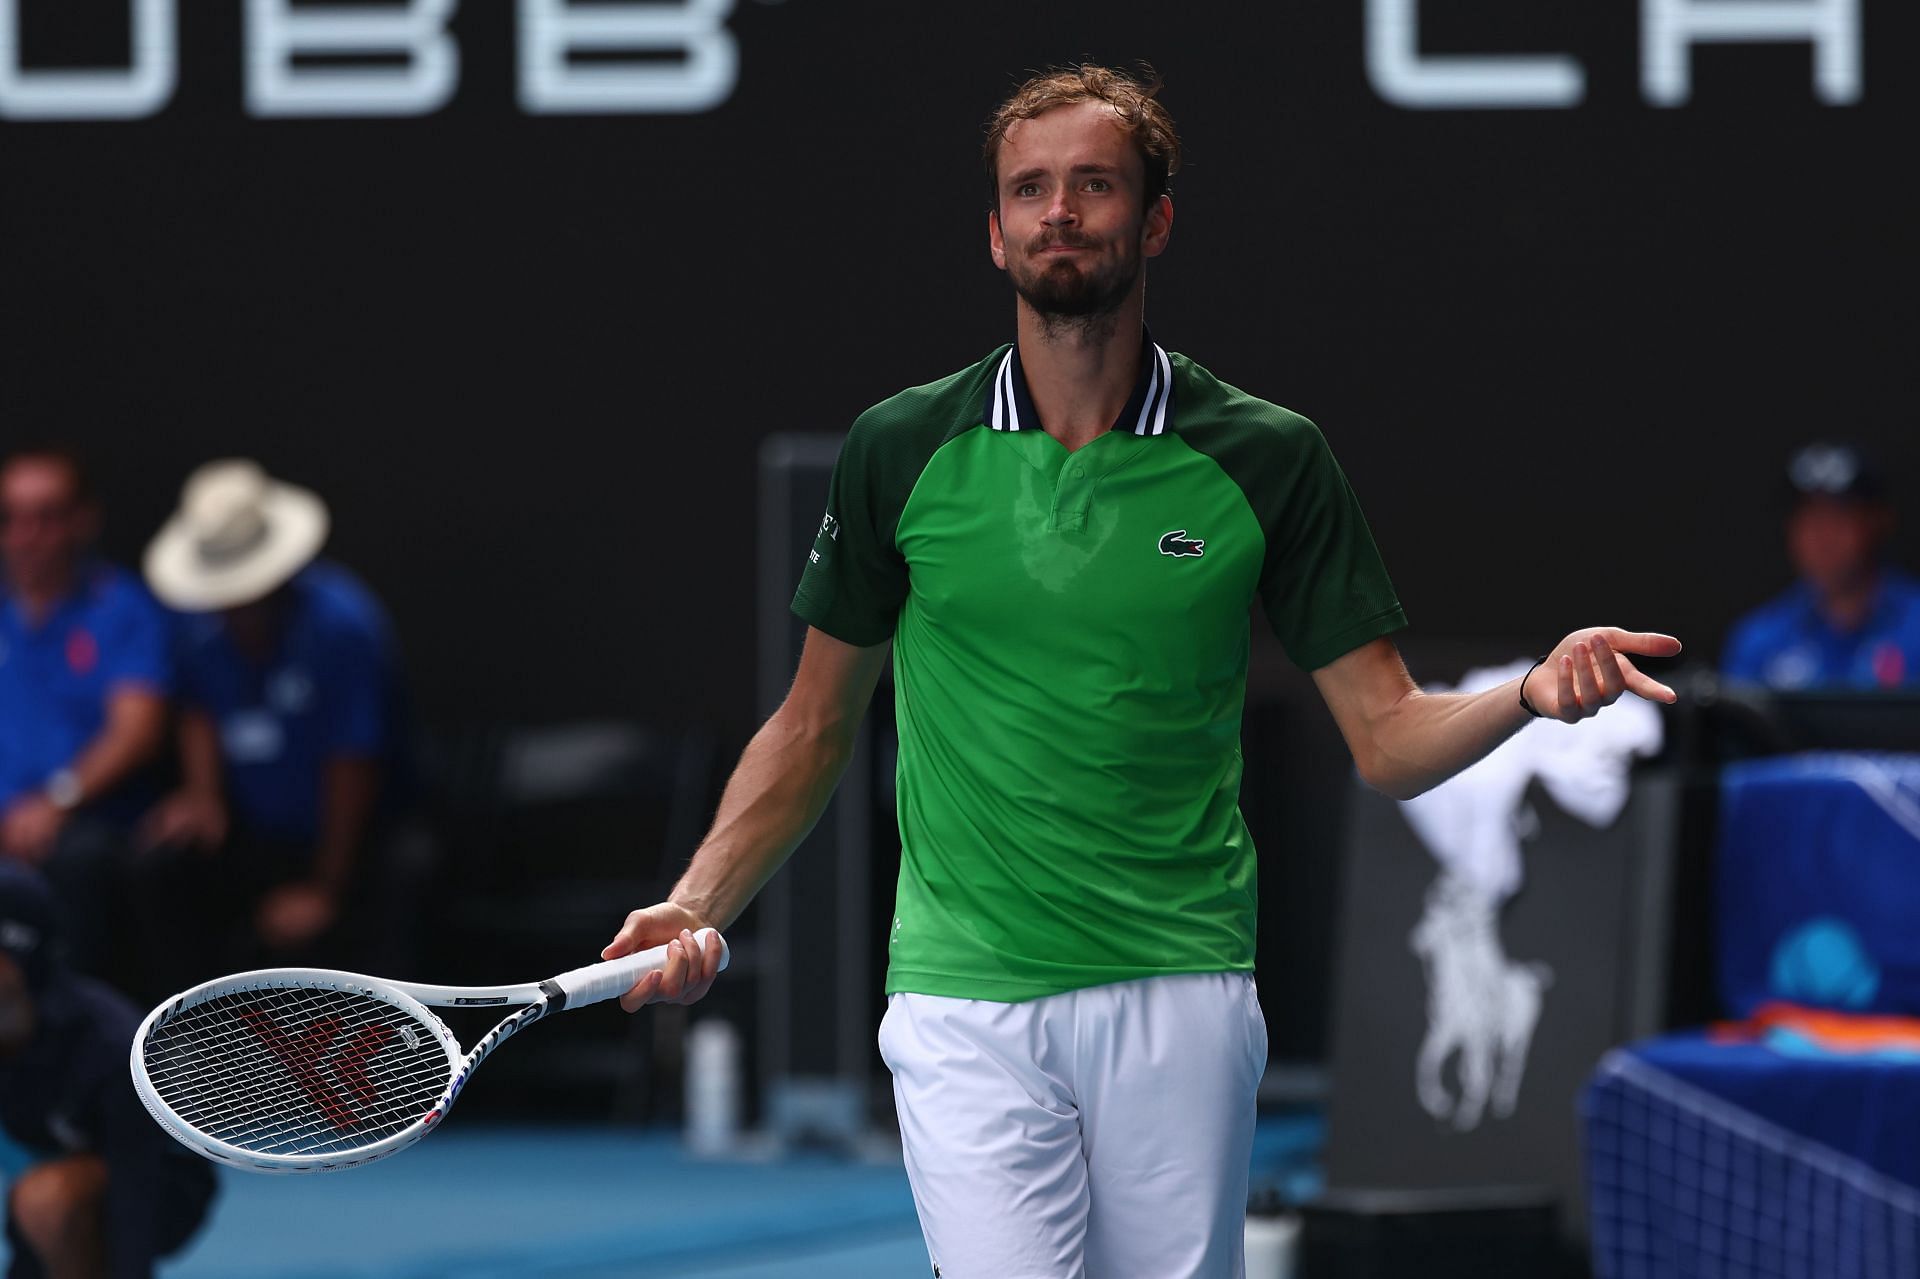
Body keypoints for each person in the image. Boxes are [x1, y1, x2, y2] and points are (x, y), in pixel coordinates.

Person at [597, 65, 1681, 1277]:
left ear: (1154, 220)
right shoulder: (900, 449)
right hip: (966, 997)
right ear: (994, 230)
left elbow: (1387, 739)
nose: (1059, 212)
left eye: (1094, 185)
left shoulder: (1269, 457)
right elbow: (809, 727)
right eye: (1030, 189)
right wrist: (698, 900)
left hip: (1183, 988)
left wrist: (1530, 693)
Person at [134, 459, 410, 994]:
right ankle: (190, 1046)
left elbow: (353, 760)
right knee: (159, 867)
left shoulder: (342, 626)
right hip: (255, 831)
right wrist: (203, 792)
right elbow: (197, 706)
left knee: (397, 879)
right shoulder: (195, 623)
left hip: (356, 836)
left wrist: (325, 887)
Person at [0, 863, 217, 1279]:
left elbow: (136, 1194)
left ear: (18, 955)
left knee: (45, 1201)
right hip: (53, 1166)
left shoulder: (110, 1048)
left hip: (160, 1182)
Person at [0, 447, 169, 975]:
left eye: (46, 517)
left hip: (81, 824)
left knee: (83, 860)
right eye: (12, 519)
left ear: (82, 521)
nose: (27, 535)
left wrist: (57, 801)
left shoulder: (120, 607)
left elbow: (138, 729)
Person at [1722, 442, 1920, 690]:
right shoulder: (1759, 641)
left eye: (1839, 518)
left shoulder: (1915, 624)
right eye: (1809, 518)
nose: (1823, 536)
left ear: (1877, 522)